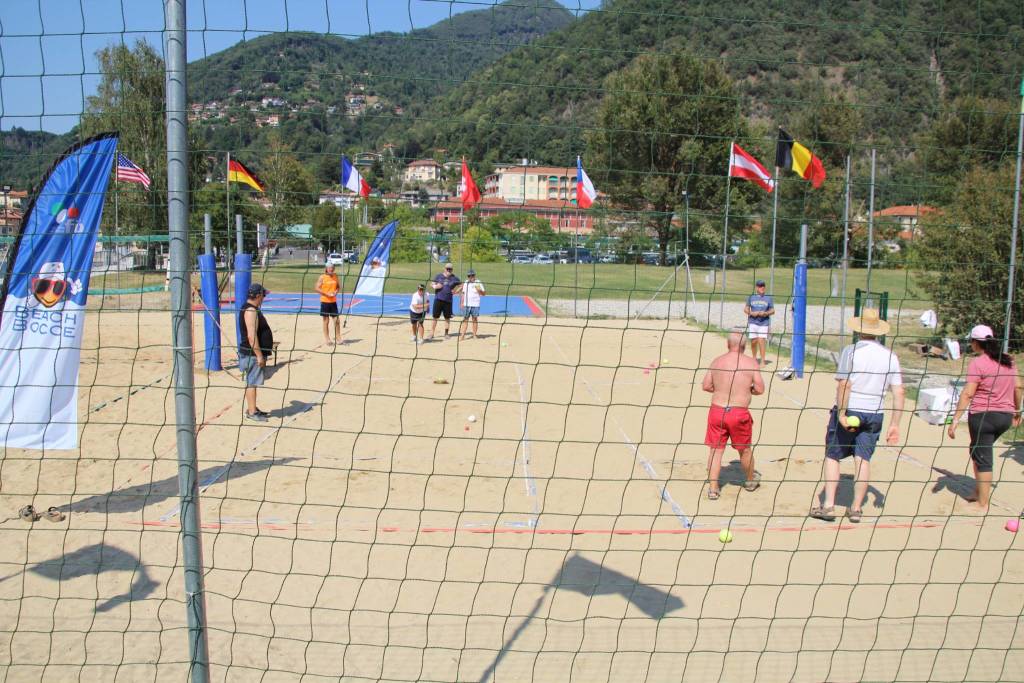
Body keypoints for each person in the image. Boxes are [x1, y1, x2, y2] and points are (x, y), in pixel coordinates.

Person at [811, 308, 904, 522]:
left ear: (859, 330)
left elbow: (844, 384)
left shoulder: (850, 351)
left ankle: (828, 506)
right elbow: (899, 391)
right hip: (875, 413)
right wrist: (895, 424)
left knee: (833, 456)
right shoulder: (890, 356)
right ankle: (855, 509)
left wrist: (842, 413)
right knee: (863, 460)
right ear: (878, 331)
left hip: (852, 409)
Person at [947, 324, 1022, 509]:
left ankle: (983, 503)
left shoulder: (978, 363)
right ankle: (977, 492)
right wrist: (1017, 410)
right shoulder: (1009, 361)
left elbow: (967, 394)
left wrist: (955, 420)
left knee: (983, 456)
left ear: (975, 343)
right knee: (976, 450)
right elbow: (1018, 387)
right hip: (1004, 417)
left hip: (983, 418)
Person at [701, 331, 765, 500]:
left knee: (715, 451)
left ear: (727, 345)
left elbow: (706, 385)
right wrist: (746, 390)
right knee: (744, 450)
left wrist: (721, 389)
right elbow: (760, 389)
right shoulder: (750, 363)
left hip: (717, 410)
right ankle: (750, 480)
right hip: (739, 412)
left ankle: (713, 489)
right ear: (744, 347)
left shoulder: (717, 361)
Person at [239, 283, 274, 422]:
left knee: (252, 382)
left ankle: (252, 408)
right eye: (263, 295)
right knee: (252, 382)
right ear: (258, 296)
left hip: (251, 353)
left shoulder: (251, 309)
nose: (264, 298)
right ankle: (252, 412)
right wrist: (259, 355)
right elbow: (251, 336)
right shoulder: (251, 311)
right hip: (251, 354)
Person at [744, 279, 774, 366]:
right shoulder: (751, 297)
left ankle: (762, 360)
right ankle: (754, 358)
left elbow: (772, 310)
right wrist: (751, 313)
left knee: (761, 340)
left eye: (763, 286)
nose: (762, 287)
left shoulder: (768, 298)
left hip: (764, 322)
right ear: (756, 287)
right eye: (760, 286)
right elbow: (746, 309)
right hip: (753, 322)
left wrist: (766, 313)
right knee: (754, 341)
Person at [429, 263, 461, 339]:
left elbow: (461, 285)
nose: (449, 270)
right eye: (447, 269)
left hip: (448, 301)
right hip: (438, 299)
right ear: (445, 269)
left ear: (452, 270)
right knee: (435, 317)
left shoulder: (454, 278)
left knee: (447, 318)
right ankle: (432, 333)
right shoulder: (439, 276)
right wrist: (436, 286)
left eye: (450, 269)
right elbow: (431, 284)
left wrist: (456, 291)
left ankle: (446, 333)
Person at [315, 263, 341, 345]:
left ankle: (338, 337)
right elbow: (316, 288)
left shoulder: (335, 276)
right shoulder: (322, 277)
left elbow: (338, 287)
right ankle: (327, 339)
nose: (331, 269)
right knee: (326, 321)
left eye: (332, 268)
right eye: (330, 268)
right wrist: (327, 294)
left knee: (337, 320)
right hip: (325, 301)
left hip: (333, 302)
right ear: (326, 269)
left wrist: (336, 292)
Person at [459, 269, 486, 340]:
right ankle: (462, 335)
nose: (471, 277)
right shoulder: (466, 282)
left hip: (475, 304)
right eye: (469, 276)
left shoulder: (478, 282)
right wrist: (461, 302)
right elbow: (463, 293)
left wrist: (479, 290)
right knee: (465, 319)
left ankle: (474, 335)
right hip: (466, 304)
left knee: (475, 319)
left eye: (472, 275)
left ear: (474, 275)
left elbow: (484, 294)